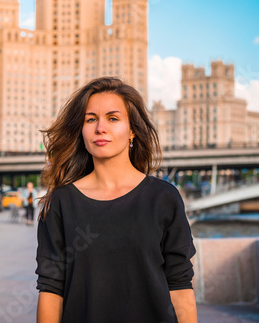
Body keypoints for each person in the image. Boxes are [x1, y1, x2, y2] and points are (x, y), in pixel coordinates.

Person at [35, 77, 197, 323]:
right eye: (91, 119)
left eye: (113, 118)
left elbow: (180, 285)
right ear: (81, 130)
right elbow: (51, 289)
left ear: (132, 129)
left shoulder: (163, 198)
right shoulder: (60, 203)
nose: (101, 128)